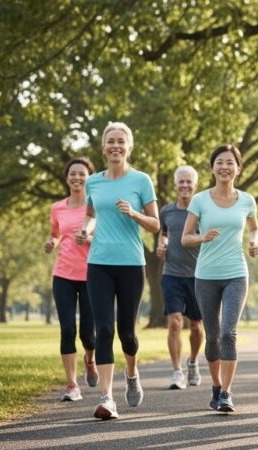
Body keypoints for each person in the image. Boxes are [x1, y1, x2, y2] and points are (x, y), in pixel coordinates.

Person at [75, 122, 160, 420]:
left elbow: (155, 224)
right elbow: (90, 214)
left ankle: (132, 373)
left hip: (131, 265)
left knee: (127, 334)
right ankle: (107, 398)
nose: (115, 146)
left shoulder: (141, 180)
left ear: (129, 147)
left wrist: (134, 213)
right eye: (110, 141)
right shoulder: (93, 183)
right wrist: (86, 230)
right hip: (98, 264)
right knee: (104, 330)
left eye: (121, 141)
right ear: (103, 147)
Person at [182, 144, 258, 413]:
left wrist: (254, 242)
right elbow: (185, 237)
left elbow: (255, 229)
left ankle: (226, 393)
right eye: (220, 162)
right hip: (206, 276)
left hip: (236, 273)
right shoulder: (200, 200)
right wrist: (202, 237)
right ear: (212, 168)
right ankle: (216, 386)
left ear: (238, 168)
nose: (225, 167)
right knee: (213, 336)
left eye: (230, 163)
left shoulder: (247, 200)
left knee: (229, 333)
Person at [45, 157, 98, 402]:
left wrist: (88, 238)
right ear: (67, 178)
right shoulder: (57, 208)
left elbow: (106, 238)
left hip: (91, 276)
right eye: (73, 174)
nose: (77, 178)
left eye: (81, 174)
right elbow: (56, 233)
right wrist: (51, 242)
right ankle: (72, 384)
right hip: (63, 275)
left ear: (88, 178)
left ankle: (90, 359)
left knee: (88, 334)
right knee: (67, 329)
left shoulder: (96, 205)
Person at [157, 165, 204, 390]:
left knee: (196, 326)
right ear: (176, 185)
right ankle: (177, 371)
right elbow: (164, 233)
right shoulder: (166, 211)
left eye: (189, 182)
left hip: (198, 275)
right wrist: (162, 245)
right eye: (181, 182)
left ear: (195, 185)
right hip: (172, 274)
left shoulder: (203, 211)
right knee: (175, 321)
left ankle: (193, 362)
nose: (185, 185)